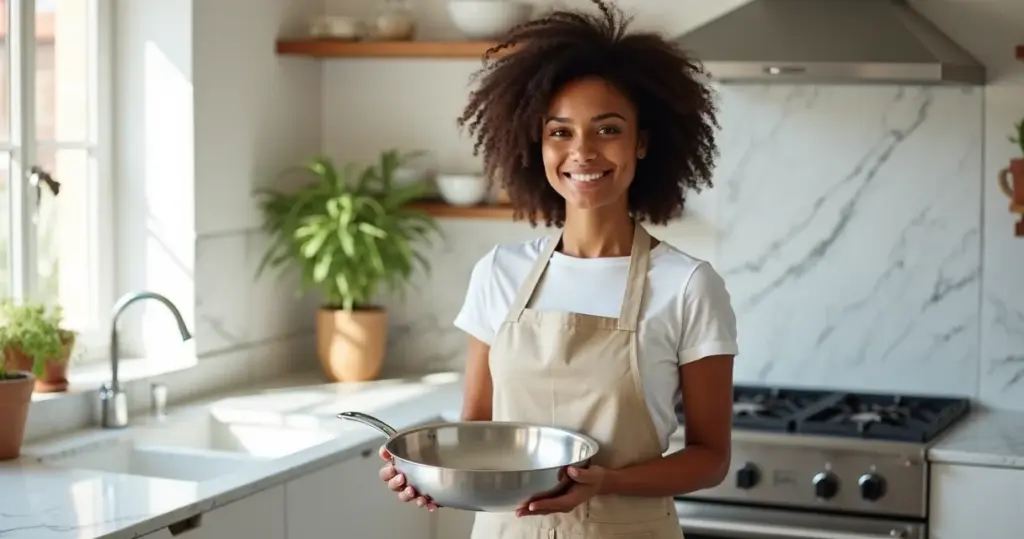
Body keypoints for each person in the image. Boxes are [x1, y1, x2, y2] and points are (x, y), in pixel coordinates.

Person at [378, 0, 738, 537]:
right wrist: (426, 476)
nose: (583, 152)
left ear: (642, 142)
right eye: (560, 132)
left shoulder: (687, 284)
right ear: (537, 144)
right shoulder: (499, 272)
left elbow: (710, 457)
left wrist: (608, 482)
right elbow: (477, 431)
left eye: (607, 129)